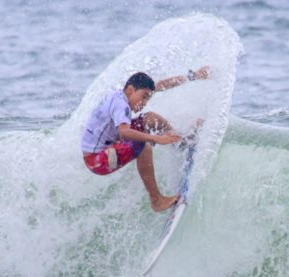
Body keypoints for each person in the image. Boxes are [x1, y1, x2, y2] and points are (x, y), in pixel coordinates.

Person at [81, 66, 209, 212]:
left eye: (148, 97)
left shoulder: (121, 96)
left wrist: (194, 76)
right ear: (130, 90)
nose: (145, 102)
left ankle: (179, 141)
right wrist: (156, 138)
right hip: (97, 160)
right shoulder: (121, 105)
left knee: (150, 118)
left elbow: (160, 85)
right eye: (144, 97)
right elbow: (124, 133)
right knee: (144, 147)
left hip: (109, 145)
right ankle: (157, 201)